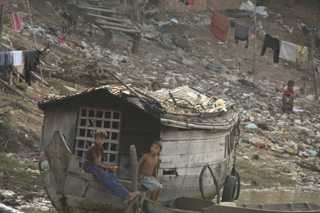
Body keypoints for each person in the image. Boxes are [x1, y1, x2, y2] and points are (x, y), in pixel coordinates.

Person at [85, 129, 139, 203]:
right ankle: (128, 194)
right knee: (106, 177)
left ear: (104, 140)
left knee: (113, 176)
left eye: (102, 139)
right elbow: (96, 163)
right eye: (98, 138)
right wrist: (109, 167)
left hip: (97, 168)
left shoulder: (101, 148)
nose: (100, 140)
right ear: (95, 139)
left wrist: (109, 168)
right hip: (90, 167)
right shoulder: (93, 148)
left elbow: (100, 163)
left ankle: (123, 196)